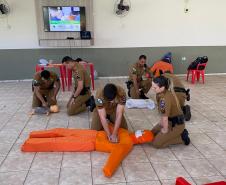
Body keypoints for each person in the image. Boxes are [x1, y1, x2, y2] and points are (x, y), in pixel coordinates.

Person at [151, 76, 190, 148]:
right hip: (169, 121)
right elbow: (163, 114)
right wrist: (160, 123)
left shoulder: (165, 99)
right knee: (152, 134)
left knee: (156, 143)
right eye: (152, 86)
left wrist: (165, 130)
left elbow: (165, 117)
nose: (152, 89)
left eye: (155, 87)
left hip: (177, 125)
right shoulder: (160, 94)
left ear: (162, 88)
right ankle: (170, 136)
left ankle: (182, 137)